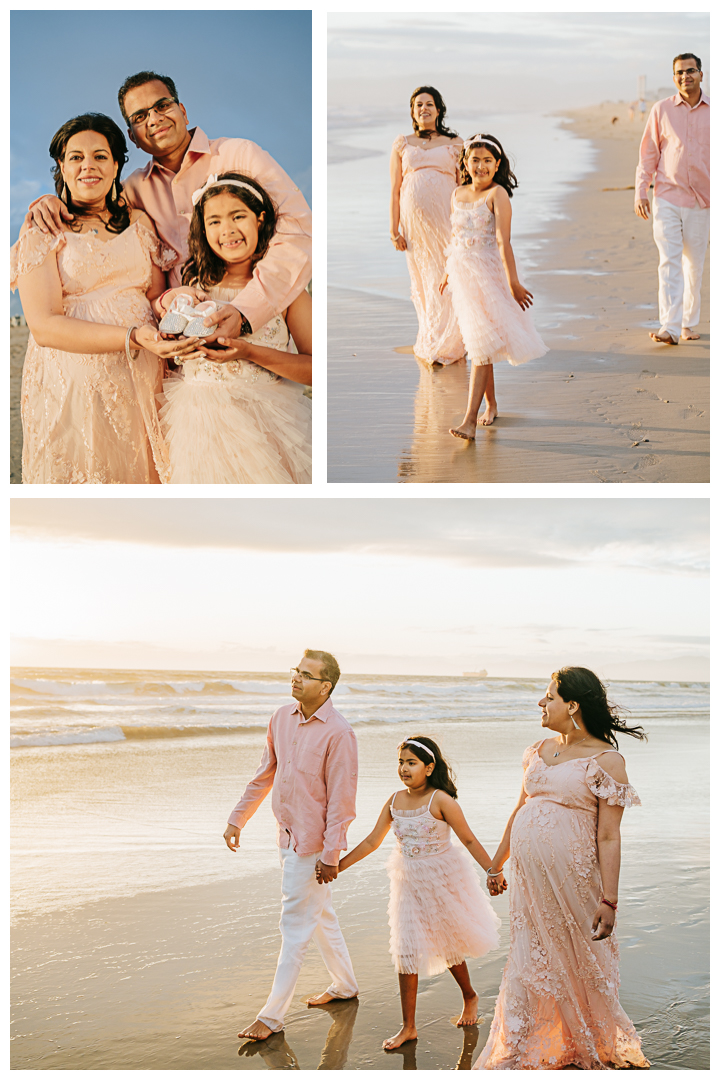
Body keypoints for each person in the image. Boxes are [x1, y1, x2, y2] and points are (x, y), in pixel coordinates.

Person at [26, 70, 312, 344]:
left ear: (183, 111)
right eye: (140, 116)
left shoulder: (240, 155)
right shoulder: (133, 190)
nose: (154, 118)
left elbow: (299, 228)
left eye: (162, 105)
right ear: (133, 137)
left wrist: (247, 311)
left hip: (258, 326)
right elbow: (94, 206)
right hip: (177, 345)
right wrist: (50, 202)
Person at [474, 667, 650, 1070]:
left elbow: (609, 837)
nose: (541, 702)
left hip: (573, 885)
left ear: (572, 705)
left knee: (574, 959)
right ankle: (528, 1039)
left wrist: (610, 900)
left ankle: (579, 1040)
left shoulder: (607, 761)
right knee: (529, 959)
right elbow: (519, 810)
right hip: (529, 887)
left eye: (549, 696)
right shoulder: (536, 750)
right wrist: (495, 865)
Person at [11, 113, 199, 484]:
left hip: (145, 373)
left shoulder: (140, 223)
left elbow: (155, 296)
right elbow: (45, 326)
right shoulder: (43, 227)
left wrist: (179, 307)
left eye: (100, 156)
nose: (88, 166)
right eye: (76, 157)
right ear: (61, 166)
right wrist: (131, 337)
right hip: (74, 382)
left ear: (116, 165)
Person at [223, 651, 359, 1041]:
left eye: (306, 674)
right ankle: (345, 985)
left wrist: (331, 856)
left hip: (315, 848)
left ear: (326, 686)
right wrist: (238, 818)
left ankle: (271, 1016)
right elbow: (265, 773)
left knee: (295, 925)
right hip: (286, 837)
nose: (297, 678)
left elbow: (342, 805)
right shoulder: (281, 717)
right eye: (296, 671)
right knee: (321, 916)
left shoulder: (339, 733)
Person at [336, 736, 501, 1051]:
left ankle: (469, 995)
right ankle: (408, 1027)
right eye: (401, 762)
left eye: (411, 762)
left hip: (441, 879)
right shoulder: (395, 800)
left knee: (448, 942)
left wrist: (493, 871)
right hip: (407, 882)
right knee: (406, 948)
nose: (404, 769)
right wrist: (338, 866)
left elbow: (468, 840)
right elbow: (372, 841)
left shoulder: (441, 800)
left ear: (429, 767)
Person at [157, 172, 311, 484]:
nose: (227, 230)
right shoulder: (193, 286)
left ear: (260, 219)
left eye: (238, 216)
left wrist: (250, 351)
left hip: (269, 423)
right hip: (198, 424)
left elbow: (316, 369)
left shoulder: (284, 292)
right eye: (214, 221)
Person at [441, 134, 548, 440]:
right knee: (480, 343)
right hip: (462, 276)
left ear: (498, 164)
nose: (481, 166)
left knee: (480, 346)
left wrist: (513, 282)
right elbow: (455, 237)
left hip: (489, 276)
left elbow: (503, 241)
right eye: (475, 160)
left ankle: (469, 420)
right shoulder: (457, 194)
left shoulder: (498, 195)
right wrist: (447, 272)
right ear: (465, 162)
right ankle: (492, 404)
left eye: (488, 160)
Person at [634, 54, 709, 345]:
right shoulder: (661, 110)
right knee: (669, 262)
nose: (684, 76)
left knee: (694, 265)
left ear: (701, 74)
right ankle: (670, 326)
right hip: (666, 196)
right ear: (673, 77)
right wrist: (641, 190)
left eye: (690, 71)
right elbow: (648, 154)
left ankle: (688, 323)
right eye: (679, 72)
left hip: (703, 201)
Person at [390, 86, 465, 365]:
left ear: (439, 109)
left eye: (429, 104)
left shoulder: (455, 143)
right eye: (418, 104)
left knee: (448, 273)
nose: (424, 109)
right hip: (414, 225)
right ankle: (431, 335)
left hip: (447, 218)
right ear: (412, 111)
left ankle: (453, 340)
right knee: (423, 279)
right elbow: (395, 189)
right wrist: (393, 229)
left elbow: (462, 184)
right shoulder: (402, 144)